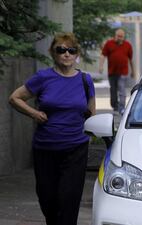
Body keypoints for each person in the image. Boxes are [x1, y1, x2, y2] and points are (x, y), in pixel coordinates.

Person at [8, 32, 96, 225]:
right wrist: (34, 113)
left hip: (75, 149)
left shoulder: (85, 80)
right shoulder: (43, 78)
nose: (66, 54)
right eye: (61, 50)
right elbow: (14, 97)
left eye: (71, 50)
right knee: (48, 200)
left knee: (69, 200)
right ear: (53, 53)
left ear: (76, 54)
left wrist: (89, 132)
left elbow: (91, 111)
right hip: (45, 148)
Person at [99, 28, 134, 114]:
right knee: (113, 90)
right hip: (112, 72)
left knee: (122, 89)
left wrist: (133, 71)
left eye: (121, 36)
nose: (120, 38)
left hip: (123, 72)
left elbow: (131, 59)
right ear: (115, 36)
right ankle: (115, 106)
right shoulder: (109, 44)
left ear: (124, 37)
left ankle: (121, 107)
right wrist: (101, 66)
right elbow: (103, 55)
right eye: (118, 36)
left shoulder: (128, 45)